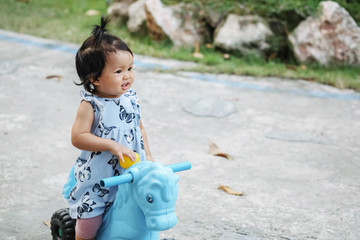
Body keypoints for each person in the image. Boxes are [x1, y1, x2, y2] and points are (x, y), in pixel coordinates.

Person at [67, 16, 153, 240]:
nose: (127, 76)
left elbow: (139, 128)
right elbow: (78, 137)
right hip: (99, 180)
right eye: (118, 72)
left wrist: (149, 157)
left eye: (130, 68)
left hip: (131, 172)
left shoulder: (131, 98)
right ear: (94, 78)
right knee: (89, 225)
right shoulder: (91, 105)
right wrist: (112, 145)